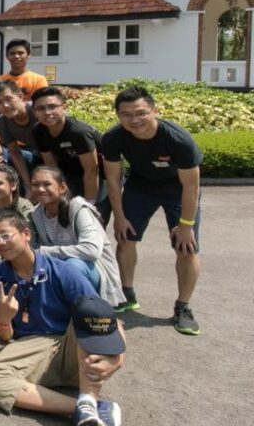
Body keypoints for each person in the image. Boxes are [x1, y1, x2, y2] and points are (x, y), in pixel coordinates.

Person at [0, 209, 125, 426]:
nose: (0, 243)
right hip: (32, 346)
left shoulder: (63, 271)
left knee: (86, 313)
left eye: (6, 235)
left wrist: (117, 358)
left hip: (73, 346)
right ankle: (89, 408)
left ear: (26, 233)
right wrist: (4, 319)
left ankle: (88, 398)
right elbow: (4, 336)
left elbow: (105, 317)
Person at [101, 85, 202, 332]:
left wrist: (186, 226)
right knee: (125, 239)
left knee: (186, 248)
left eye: (141, 113)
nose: (134, 120)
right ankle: (126, 294)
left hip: (177, 189)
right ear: (118, 115)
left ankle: (183, 307)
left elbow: (191, 187)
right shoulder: (113, 138)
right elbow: (113, 180)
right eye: (126, 114)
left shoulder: (179, 140)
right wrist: (120, 217)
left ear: (154, 110)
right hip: (140, 186)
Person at [30, 166, 126, 307]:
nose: (40, 189)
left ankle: (86, 312)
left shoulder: (79, 209)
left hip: (94, 271)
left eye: (47, 184)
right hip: (60, 270)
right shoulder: (36, 214)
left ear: (62, 187)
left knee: (72, 266)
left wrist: (44, 251)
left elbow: (91, 251)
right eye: (35, 185)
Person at [32, 87, 105, 212]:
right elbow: (51, 165)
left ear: (64, 107)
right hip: (71, 172)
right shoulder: (38, 130)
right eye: (41, 108)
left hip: (101, 175)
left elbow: (92, 170)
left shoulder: (79, 133)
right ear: (34, 112)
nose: (47, 112)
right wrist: (59, 194)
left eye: (52, 106)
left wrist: (89, 204)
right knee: (64, 211)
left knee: (93, 218)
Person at [0, 79, 41, 189]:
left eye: (9, 99)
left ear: (20, 96)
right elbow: (14, 152)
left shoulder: (38, 111)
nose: (5, 105)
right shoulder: (2, 122)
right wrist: (28, 184)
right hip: (39, 155)